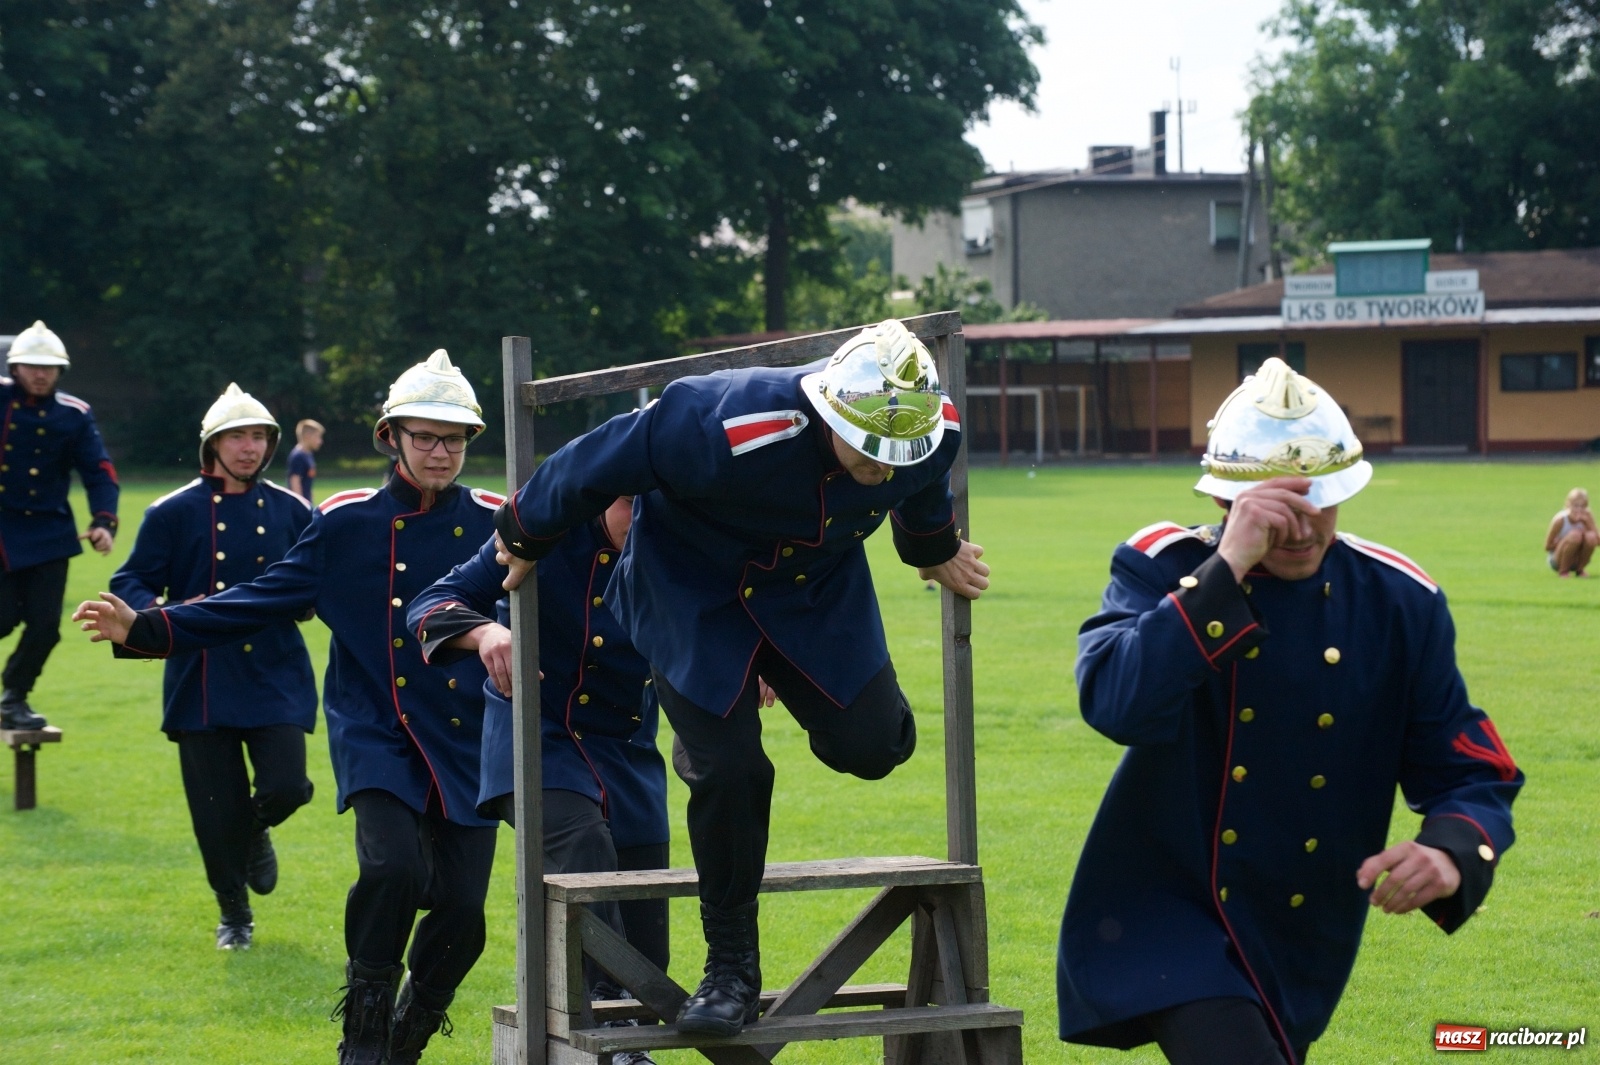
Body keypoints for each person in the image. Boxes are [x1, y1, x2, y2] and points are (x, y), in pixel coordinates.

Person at [492, 318, 990, 1035]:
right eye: (871, 449)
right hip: (691, 591)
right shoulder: (718, 419)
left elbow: (919, 493)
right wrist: (524, 532)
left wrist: (933, 546)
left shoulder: (931, 431)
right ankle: (729, 967)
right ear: (828, 409)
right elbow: (595, 459)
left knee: (878, 744)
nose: (885, 464)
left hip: (811, 594)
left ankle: (770, 685)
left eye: (897, 450)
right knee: (731, 771)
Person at [1058, 357, 1524, 1065]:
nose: (1305, 531)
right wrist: (1225, 572)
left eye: (1322, 504)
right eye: (1282, 513)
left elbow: (1470, 770)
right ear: (1227, 505)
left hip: (1302, 920)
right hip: (1167, 907)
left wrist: (1452, 849)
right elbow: (1114, 700)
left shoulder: (1399, 602)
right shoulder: (1160, 566)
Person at [76, 350, 502, 1065]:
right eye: (425, 435)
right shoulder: (344, 522)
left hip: (467, 736)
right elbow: (258, 599)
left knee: (464, 913)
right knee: (393, 869)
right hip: (378, 731)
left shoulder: (496, 520)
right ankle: (363, 1038)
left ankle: (409, 1035)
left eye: (454, 438)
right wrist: (150, 628)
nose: (441, 452)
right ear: (390, 437)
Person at [409, 495, 668, 1064]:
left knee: (649, 933)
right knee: (582, 842)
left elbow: (732, 613)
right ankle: (611, 1025)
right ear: (605, 497)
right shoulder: (540, 532)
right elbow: (430, 603)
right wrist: (484, 633)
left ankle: (626, 1026)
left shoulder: (679, 544)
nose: (648, 522)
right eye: (634, 507)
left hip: (626, 753)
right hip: (535, 738)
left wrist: (756, 662)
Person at [109, 384, 317, 949]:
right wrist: (157, 616)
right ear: (213, 445)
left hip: (275, 671)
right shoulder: (170, 511)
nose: (248, 448)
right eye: (236, 436)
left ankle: (252, 832)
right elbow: (131, 582)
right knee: (212, 809)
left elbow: (325, 579)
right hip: (201, 677)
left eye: (258, 437)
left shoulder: (293, 509)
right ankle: (234, 916)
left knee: (288, 786)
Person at [0, 320, 119, 730]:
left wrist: (104, 520)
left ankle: (13, 697)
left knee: (46, 628)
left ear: (60, 371)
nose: (39, 373)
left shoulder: (75, 414)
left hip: (51, 534)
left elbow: (99, 471)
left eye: (48, 366)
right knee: (1, 618)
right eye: (31, 365)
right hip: (1, 531)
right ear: (15, 368)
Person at [1544, 487, 1597, 577]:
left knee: (1591, 536)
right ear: (1568, 505)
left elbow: (1597, 541)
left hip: (1577, 559)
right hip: (1557, 559)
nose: (1579, 509)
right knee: (1575, 535)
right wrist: (1564, 541)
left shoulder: (1587, 516)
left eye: (1583, 506)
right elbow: (1547, 546)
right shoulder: (1560, 520)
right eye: (1576, 506)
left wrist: (1587, 523)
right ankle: (1563, 571)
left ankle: (1580, 570)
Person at [287, 418, 324, 503]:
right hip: (300, 505)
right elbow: (295, 483)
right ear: (307, 436)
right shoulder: (298, 456)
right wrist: (301, 505)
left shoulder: (308, 455)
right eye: (317, 437)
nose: (320, 441)